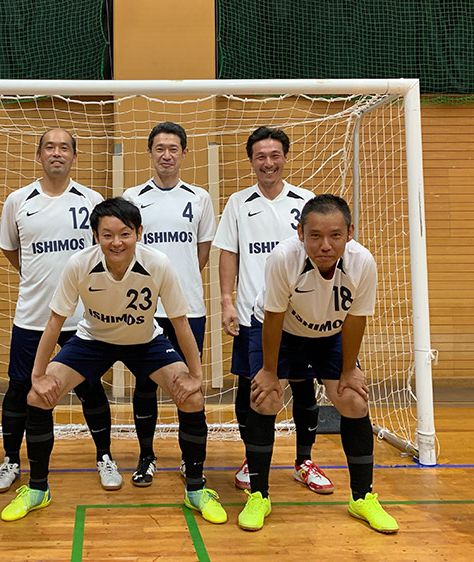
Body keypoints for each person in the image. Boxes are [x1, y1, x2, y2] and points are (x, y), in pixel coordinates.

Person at [0, 197, 227, 525]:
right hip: (93, 341)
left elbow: (180, 322)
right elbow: (54, 323)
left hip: (145, 342)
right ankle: (37, 489)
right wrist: (38, 375)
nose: (116, 242)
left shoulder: (158, 263)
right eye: (107, 235)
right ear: (95, 236)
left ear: (139, 233)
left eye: (125, 234)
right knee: (37, 397)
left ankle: (195, 489)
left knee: (192, 398)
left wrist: (196, 375)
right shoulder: (78, 264)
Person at [236, 194, 399, 534]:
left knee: (354, 400)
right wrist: (269, 372)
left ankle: (362, 498)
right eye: (315, 236)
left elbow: (355, 319)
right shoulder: (283, 258)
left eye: (335, 235)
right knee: (266, 399)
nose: (325, 245)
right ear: (300, 233)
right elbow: (273, 316)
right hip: (280, 332)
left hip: (329, 335)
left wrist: (349, 369)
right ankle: (259, 495)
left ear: (349, 233)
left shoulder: (363, 262)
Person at [0, 128, 121, 494]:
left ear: (74, 158)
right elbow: (11, 249)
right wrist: (38, 278)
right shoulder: (18, 201)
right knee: (20, 388)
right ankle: (11, 460)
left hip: (83, 318)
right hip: (33, 316)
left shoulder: (92, 200)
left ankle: (105, 457)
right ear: (39, 155)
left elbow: (104, 250)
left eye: (64, 147)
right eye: (49, 147)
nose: (56, 153)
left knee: (90, 388)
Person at [213, 126, 333, 494]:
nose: (268, 163)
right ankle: (252, 458)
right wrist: (227, 301)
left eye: (275, 155)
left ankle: (303, 461)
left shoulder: (306, 201)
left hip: (302, 316)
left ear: (285, 157)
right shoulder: (238, 203)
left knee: (303, 385)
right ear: (251, 161)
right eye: (261, 156)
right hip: (255, 315)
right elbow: (228, 253)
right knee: (251, 388)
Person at [123, 122, 215, 486]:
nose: (166, 155)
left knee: (188, 384)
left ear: (184, 153)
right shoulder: (132, 197)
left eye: (173, 148)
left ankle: (190, 460)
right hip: (145, 310)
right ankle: (146, 456)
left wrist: (179, 284)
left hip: (188, 309)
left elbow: (201, 252)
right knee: (146, 384)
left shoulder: (200, 198)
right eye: (159, 148)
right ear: (149, 153)